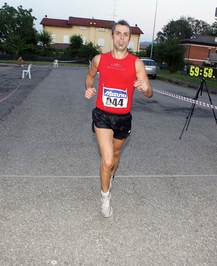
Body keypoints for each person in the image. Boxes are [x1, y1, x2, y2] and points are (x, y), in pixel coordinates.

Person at [85, 20, 153, 218]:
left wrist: (145, 89)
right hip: (102, 115)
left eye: (125, 34)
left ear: (129, 39)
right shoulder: (100, 59)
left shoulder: (136, 63)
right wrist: (88, 87)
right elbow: (89, 76)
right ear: (112, 36)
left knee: (115, 155)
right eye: (118, 33)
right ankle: (105, 198)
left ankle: (110, 177)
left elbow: (150, 93)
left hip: (123, 118)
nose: (121, 37)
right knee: (107, 161)